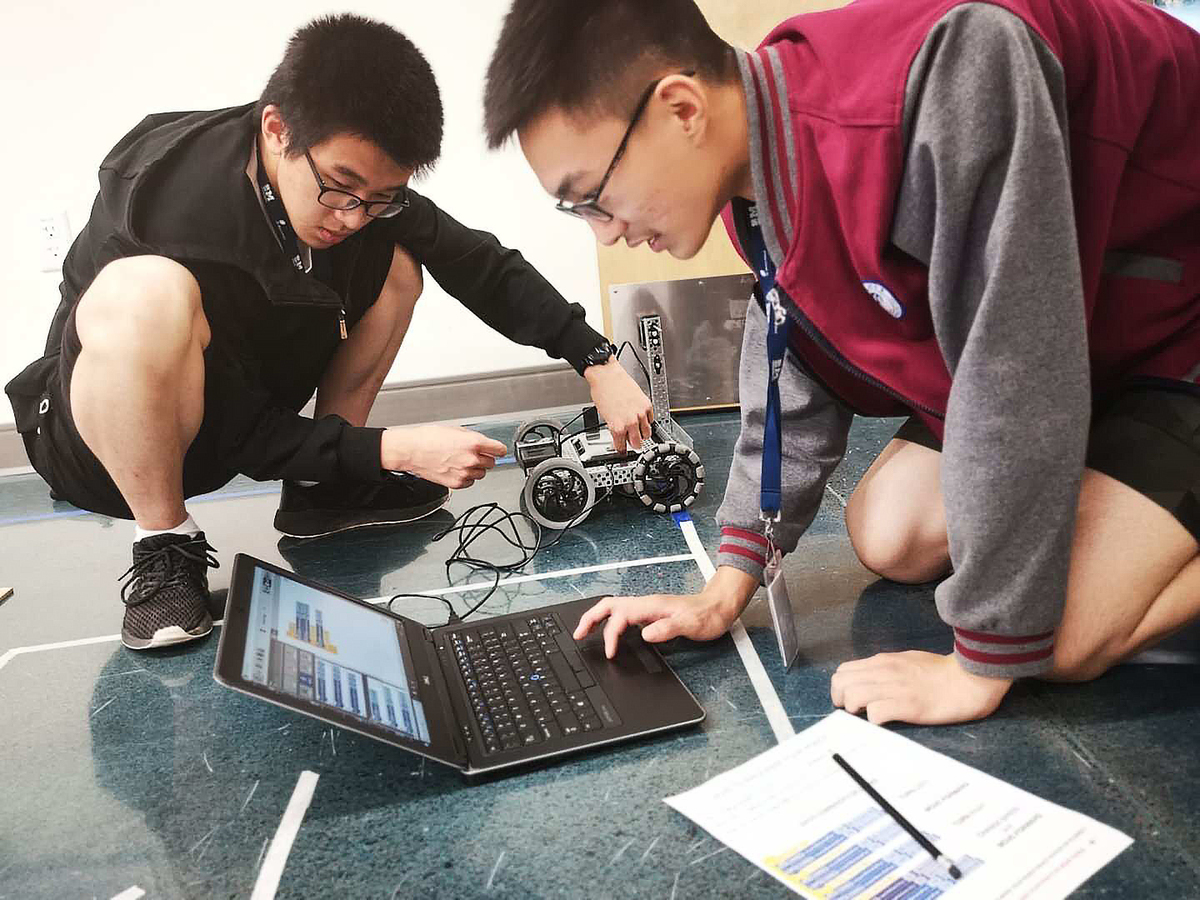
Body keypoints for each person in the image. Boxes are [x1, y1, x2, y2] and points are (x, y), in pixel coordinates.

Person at [482, 0, 1200, 725]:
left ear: (680, 108)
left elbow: (1017, 371)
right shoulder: (758, 164)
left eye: (593, 198)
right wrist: (729, 582)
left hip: (1177, 329)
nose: (607, 231)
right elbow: (793, 362)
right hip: (1091, 333)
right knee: (888, 533)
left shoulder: (954, 70)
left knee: (1055, 639)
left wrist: (980, 662)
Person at [3, 14, 652, 652]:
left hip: (226, 411)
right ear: (277, 130)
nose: (351, 215)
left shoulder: (356, 189)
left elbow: (476, 263)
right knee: (142, 292)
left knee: (397, 258)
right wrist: (390, 449)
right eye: (341, 188)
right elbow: (245, 434)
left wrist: (594, 359)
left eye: (381, 194)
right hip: (100, 442)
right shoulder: (174, 208)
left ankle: (325, 488)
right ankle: (164, 544)